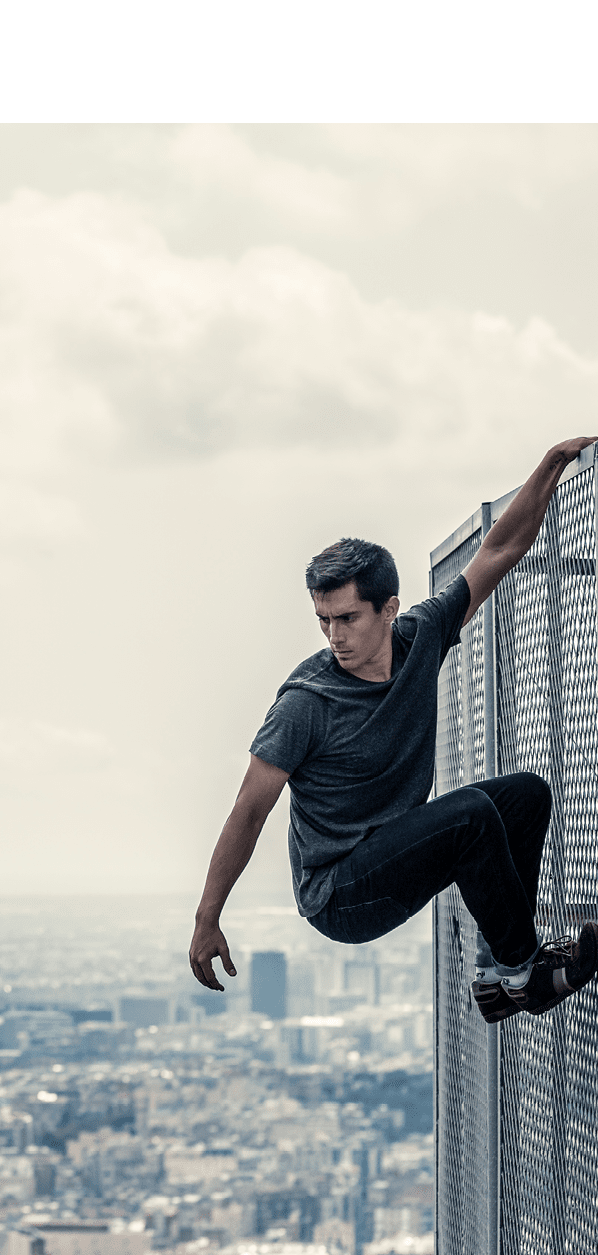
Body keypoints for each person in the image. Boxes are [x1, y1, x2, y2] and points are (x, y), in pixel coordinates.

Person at [189, 437, 598, 1024]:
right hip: (340, 895)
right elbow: (248, 809)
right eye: (324, 621)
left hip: (395, 849)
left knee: (525, 795)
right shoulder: (307, 702)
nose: (335, 637)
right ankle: (524, 971)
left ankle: (497, 976)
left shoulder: (421, 636)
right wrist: (208, 916)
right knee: (471, 818)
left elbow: (500, 549)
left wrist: (550, 468)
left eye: (348, 618)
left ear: (389, 609)